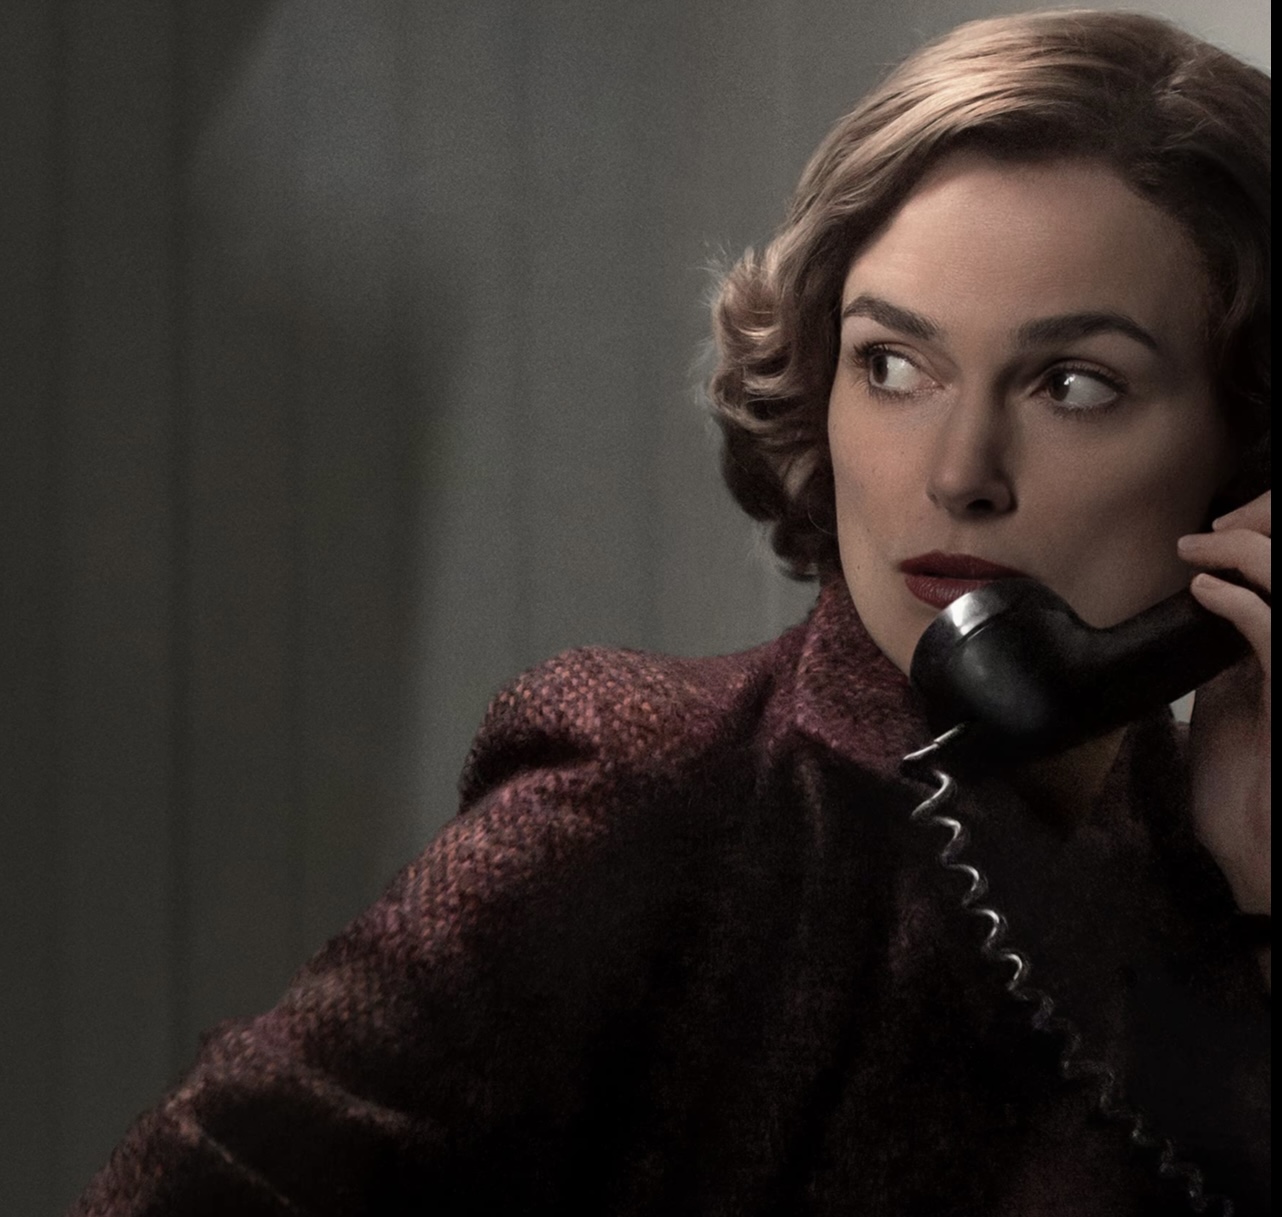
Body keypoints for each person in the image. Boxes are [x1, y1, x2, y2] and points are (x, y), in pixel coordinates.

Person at [73, 10, 1270, 1214]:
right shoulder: (660, 786)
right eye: (891, 365)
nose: (958, 472)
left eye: (1071, 384)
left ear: (1248, 457)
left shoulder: (1209, 847)